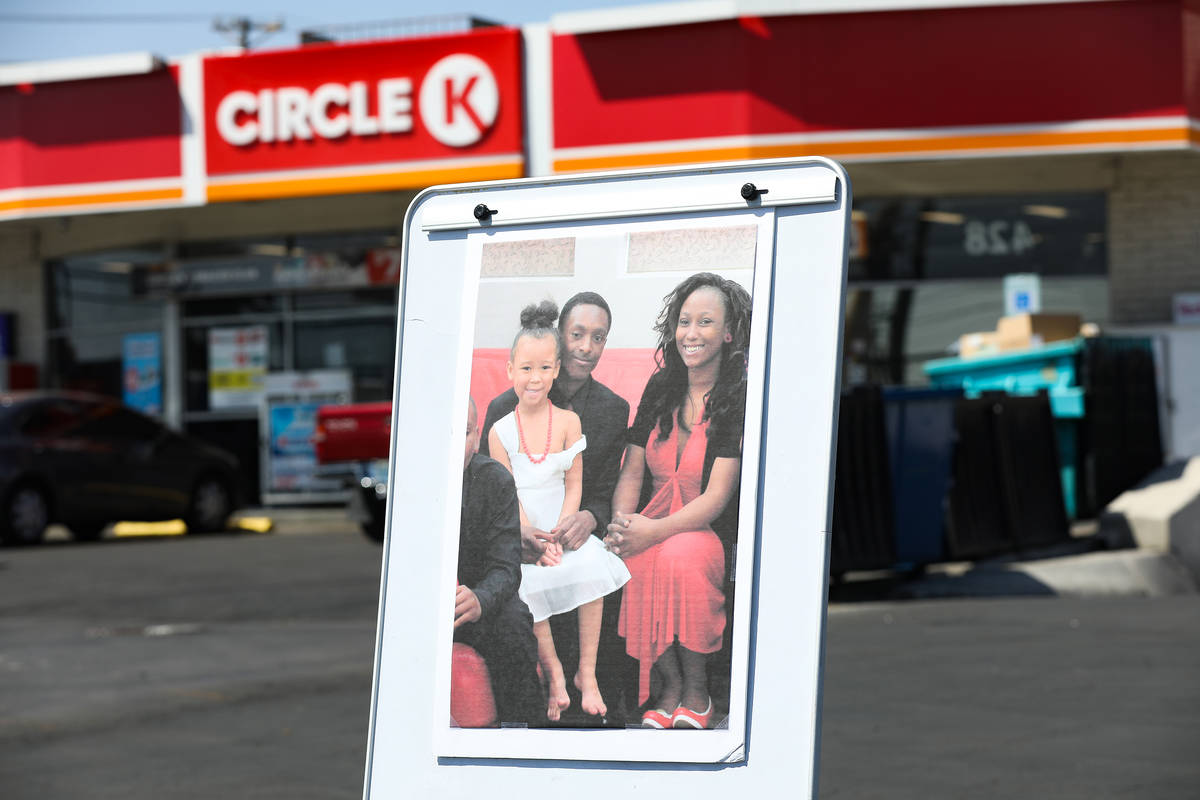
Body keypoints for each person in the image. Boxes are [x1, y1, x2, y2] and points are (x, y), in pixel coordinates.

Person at [604, 272, 750, 730]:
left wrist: (653, 532)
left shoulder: (737, 394)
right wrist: (622, 524)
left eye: (706, 322)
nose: (691, 333)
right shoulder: (661, 387)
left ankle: (698, 693)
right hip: (652, 521)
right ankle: (668, 688)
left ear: (728, 333)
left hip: (706, 531)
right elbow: (632, 468)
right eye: (684, 321)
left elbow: (718, 495)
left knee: (679, 555)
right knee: (640, 559)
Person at [480, 292, 632, 723]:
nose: (587, 347)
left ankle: (598, 697)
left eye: (598, 338)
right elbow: (495, 491)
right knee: (516, 596)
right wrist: (520, 533)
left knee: (603, 577)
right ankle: (542, 693)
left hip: (575, 530)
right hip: (521, 535)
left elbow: (601, 487)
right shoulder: (503, 410)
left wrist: (590, 517)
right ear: (558, 338)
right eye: (577, 335)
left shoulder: (611, 409)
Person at [455, 397, 545, 727]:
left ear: (477, 436)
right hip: (427, 607)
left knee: (514, 622)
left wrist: (481, 598)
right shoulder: (411, 482)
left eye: (463, 432)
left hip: (481, 599)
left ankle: (525, 732)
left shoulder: (494, 480)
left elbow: (507, 568)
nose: (455, 444)